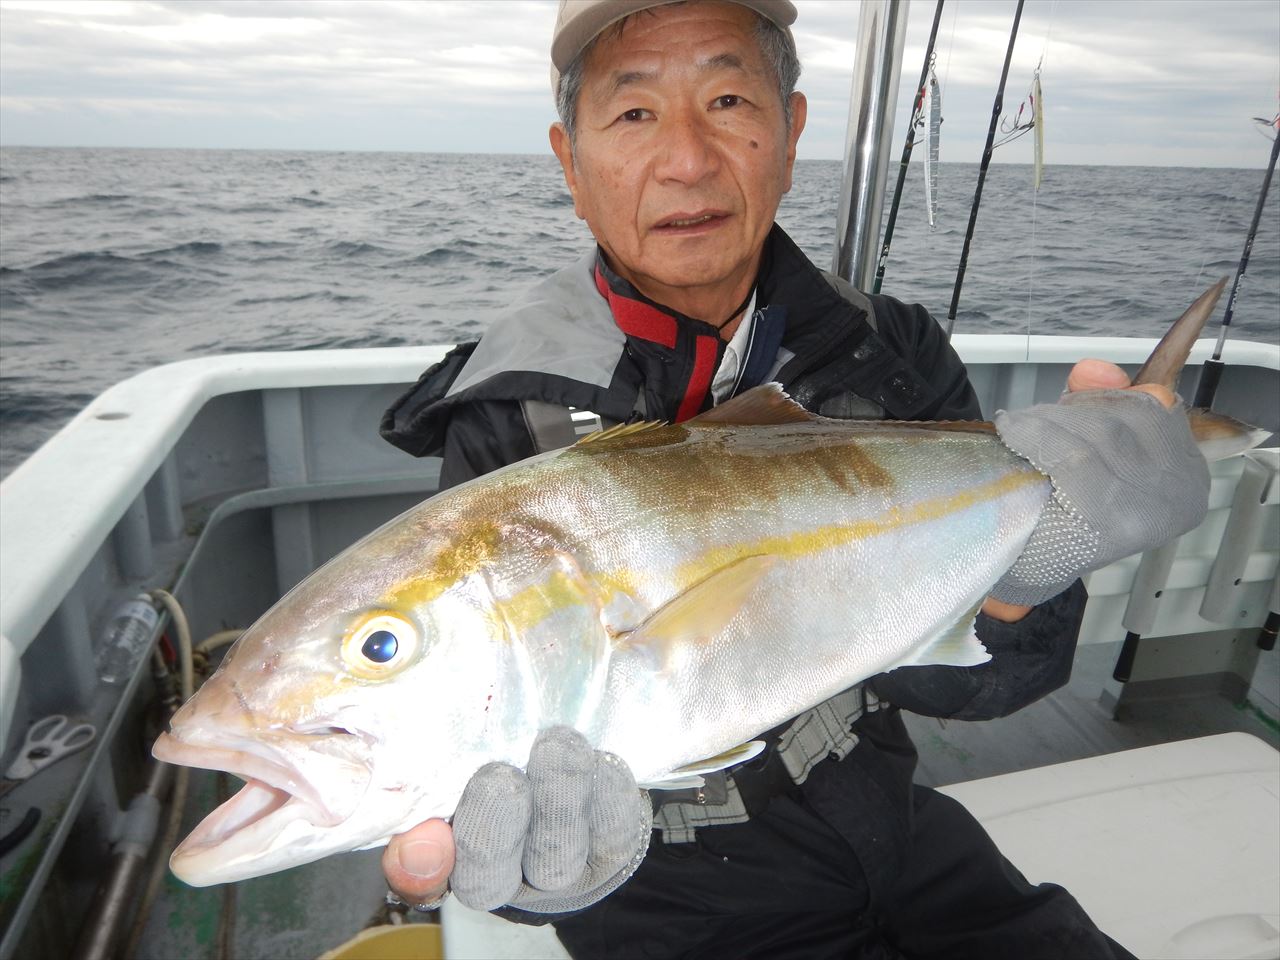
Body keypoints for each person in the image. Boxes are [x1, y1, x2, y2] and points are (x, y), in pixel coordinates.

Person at [376, 2, 1208, 957]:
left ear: (791, 128)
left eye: (727, 99)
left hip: (892, 822)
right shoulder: (505, 415)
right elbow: (485, 751)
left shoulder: (889, 350)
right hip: (670, 894)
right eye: (635, 113)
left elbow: (981, 690)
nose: (687, 159)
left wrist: (1031, 572)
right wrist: (534, 876)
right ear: (571, 162)